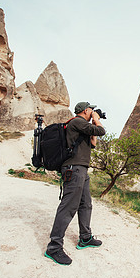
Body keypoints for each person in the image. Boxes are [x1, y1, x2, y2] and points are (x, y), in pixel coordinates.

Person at [45, 102, 106, 265]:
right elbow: (102, 131)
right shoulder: (77, 122)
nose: (93, 112)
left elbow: (93, 143)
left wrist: (93, 122)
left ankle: (85, 238)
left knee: (86, 204)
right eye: (91, 110)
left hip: (81, 170)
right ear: (85, 110)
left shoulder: (83, 126)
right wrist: (95, 120)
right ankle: (54, 247)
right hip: (74, 170)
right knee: (69, 206)